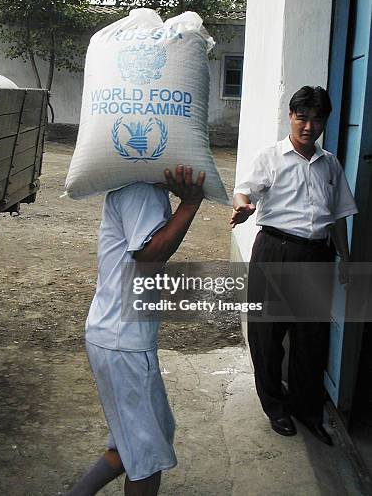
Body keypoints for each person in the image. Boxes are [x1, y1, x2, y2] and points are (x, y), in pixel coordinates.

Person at [64, 165, 205, 496]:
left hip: (120, 335)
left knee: (143, 438)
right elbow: (149, 256)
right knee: (147, 457)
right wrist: (190, 204)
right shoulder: (140, 190)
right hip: (121, 340)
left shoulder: (145, 188)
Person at [230, 86, 358, 446]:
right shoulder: (271, 157)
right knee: (268, 336)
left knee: (311, 339)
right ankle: (275, 407)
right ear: (290, 116)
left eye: (317, 119)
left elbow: (339, 215)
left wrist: (345, 259)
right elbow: (245, 191)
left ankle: (307, 410)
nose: (309, 126)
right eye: (302, 117)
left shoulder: (330, 163)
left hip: (316, 255)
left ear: (324, 122)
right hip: (275, 250)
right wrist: (243, 207)